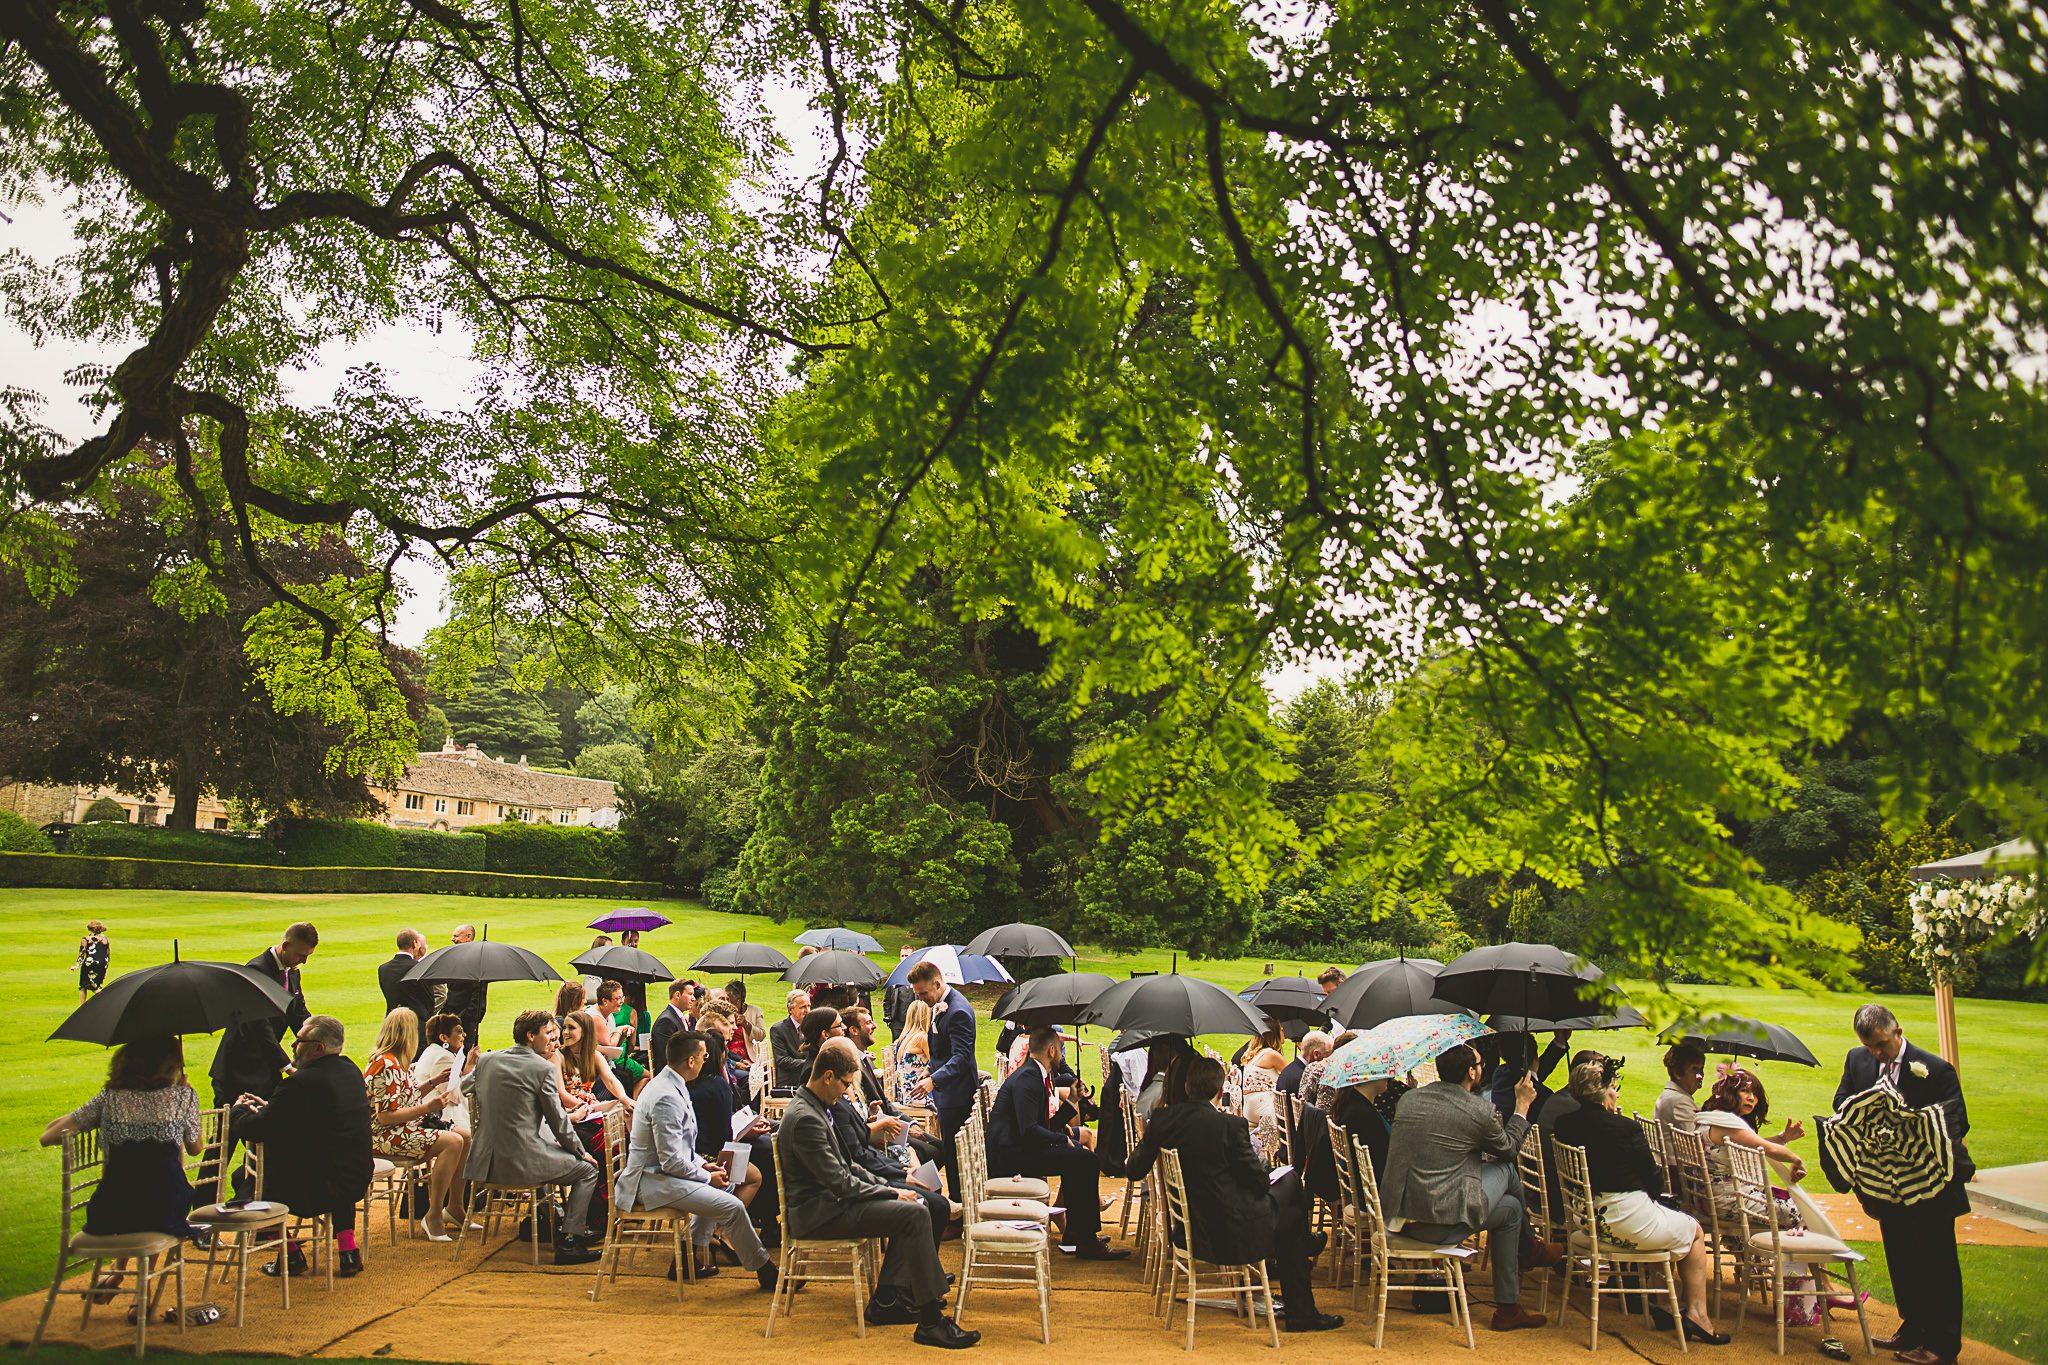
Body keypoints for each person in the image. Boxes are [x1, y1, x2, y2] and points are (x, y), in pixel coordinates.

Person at [778, 1038, 978, 1349]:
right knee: (913, 1211)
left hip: (833, 1203)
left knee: (916, 1206)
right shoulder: (806, 1118)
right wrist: (890, 1191)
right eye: (845, 1084)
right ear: (827, 1076)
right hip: (820, 1213)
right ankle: (928, 1322)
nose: (847, 1091)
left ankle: (893, 1299)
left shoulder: (816, 1107)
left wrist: (891, 1188)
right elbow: (841, 1182)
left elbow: (848, 1168)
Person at [1126, 1056, 1342, 1332]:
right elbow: (1258, 1182)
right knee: (1290, 1188)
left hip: (1187, 1226)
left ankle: (1302, 1253)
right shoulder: (1228, 1126)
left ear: (1188, 1086)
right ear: (1219, 1091)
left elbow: (1133, 1170)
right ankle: (1302, 1304)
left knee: (1290, 1208)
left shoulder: (1163, 1120)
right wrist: (1263, 1168)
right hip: (1229, 1231)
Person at [1381, 1042, 1556, 1331]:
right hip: (1436, 1222)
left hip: (1401, 1214)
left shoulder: (1410, 1099)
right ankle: (1529, 1248)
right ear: (1471, 1072)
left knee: (1511, 1209)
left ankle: (1508, 1308)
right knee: (1506, 1168)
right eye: (1479, 1063)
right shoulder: (1477, 1109)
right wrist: (1522, 1106)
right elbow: (1509, 1149)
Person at [1552, 1059, 1729, 1343]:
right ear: (1603, 1092)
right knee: (1694, 1231)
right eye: (1613, 1088)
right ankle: (1697, 1314)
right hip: (1627, 1222)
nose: (1617, 1093)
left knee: (1664, 1221)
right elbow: (1653, 1179)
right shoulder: (1625, 1127)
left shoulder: (1564, 1125)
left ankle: (1663, 1307)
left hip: (1588, 1221)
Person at [1833, 1004, 1971, 1365]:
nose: (1877, 1053)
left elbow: (1957, 1122)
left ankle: (1942, 1347)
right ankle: (1913, 1329)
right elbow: (1841, 1104)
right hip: (1885, 1184)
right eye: (1870, 1047)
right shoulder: (1856, 1060)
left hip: (1931, 1186)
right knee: (1903, 1258)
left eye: (1881, 1045)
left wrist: (1907, 1123)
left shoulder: (1936, 1070)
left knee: (1937, 1263)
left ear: (1898, 1032)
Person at [41, 1035, 204, 1300]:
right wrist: (185, 1100)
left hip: (111, 1211)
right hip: (163, 1211)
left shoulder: (110, 1098)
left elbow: (47, 1137)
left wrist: (80, 1116)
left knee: (139, 1185)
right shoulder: (183, 1097)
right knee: (162, 1187)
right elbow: (196, 1147)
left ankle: (120, 1274)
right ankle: (143, 1293)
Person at [616, 1031, 778, 1288]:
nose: (707, 1060)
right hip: (649, 1182)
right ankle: (763, 1268)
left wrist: (704, 1165)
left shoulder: (672, 1084)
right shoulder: (665, 1096)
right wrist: (705, 1176)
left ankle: (690, 1254)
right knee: (732, 1206)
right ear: (691, 1061)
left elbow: (683, 1149)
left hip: (663, 1174)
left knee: (723, 1186)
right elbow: (670, 1161)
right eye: (704, 1056)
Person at [231, 1014, 374, 1278]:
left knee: (246, 1178)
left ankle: (291, 1253)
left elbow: (258, 1128)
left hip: (315, 1187)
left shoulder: (299, 1083)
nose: (294, 1046)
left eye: (300, 1041)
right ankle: (347, 1251)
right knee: (334, 1159)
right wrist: (270, 1107)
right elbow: (317, 1116)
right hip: (356, 1177)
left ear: (318, 1048)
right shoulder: (350, 1070)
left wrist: (239, 1110)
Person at [462, 1009, 603, 1265]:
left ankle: (548, 1220)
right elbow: (558, 1122)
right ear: (530, 1036)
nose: (556, 1042)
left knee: (548, 1149)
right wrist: (581, 1153)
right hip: (522, 1163)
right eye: (549, 1035)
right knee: (587, 1171)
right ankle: (570, 1240)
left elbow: (463, 1088)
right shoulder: (542, 1069)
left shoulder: (488, 1061)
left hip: (485, 1162)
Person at [989, 1026, 1125, 1259]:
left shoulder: (1033, 1074)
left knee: (1080, 1155)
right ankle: (1086, 1240)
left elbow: (1043, 1125)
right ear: (1051, 1051)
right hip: (1010, 1156)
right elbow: (1029, 1131)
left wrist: (1072, 1100)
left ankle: (1076, 1232)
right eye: (1060, 1051)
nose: (1062, 1056)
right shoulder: (1029, 1078)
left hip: (1019, 1147)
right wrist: (1062, 1139)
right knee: (1086, 1160)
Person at [207, 921, 316, 1197]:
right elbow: (258, 1026)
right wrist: (287, 1065)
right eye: (302, 954)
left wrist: (317, 1040)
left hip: (264, 1071)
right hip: (237, 1070)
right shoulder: (256, 970)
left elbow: (297, 1012)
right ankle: (202, 1209)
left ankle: (245, 1192)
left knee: (267, 1138)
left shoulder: (293, 973)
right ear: (287, 945)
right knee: (223, 1141)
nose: (303, 961)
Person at [363, 1008, 472, 1240]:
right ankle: (433, 1215)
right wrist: (427, 1108)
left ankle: (455, 1207)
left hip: (401, 1128)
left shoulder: (396, 1061)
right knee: (453, 1142)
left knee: (465, 1136)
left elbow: (408, 1094)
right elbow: (386, 1117)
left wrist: (434, 1081)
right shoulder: (386, 1064)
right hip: (385, 1135)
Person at [1696, 1065, 1807, 1231]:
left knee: (1786, 1204)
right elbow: (1768, 1149)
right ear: (1730, 1093)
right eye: (1745, 1091)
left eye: (1755, 1094)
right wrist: (1796, 1159)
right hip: (1730, 1201)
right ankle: (1789, 1256)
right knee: (1800, 1213)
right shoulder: (1726, 1125)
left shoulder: (1709, 1117)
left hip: (1707, 1199)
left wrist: (1783, 1138)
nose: (1752, 1098)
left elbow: (1753, 1144)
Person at [907, 961, 976, 1197]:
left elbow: (961, 1058)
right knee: (948, 1149)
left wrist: (933, 1080)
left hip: (956, 1094)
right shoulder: (941, 1004)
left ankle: (956, 1204)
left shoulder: (957, 1011)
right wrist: (929, 1069)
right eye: (917, 994)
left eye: (923, 993)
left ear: (937, 983)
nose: (921, 999)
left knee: (954, 1155)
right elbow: (942, 1050)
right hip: (946, 1092)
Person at [847, 1005, 942, 1170]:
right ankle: (923, 1190)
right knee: (933, 1151)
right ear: (854, 1030)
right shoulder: (852, 1065)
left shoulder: (866, 1059)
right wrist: (902, 1129)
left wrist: (911, 1124)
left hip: (893, 1114)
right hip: (882, 1129)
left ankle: (926, 1188)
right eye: (868, 1023)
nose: (875, 1025)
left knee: (941, 1146)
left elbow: (885, 1102)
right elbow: (936, 1059)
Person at [1489, 1031, 1571, 1124]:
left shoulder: (1500, 1074)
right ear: (1536, 1057)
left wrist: (1559, 1042)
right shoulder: (1543, 1096)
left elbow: (1531, 1075)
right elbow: (1533, 1077)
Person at [412, 1012, 474, 1132]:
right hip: (441, 1118)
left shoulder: (432, 1051)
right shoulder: (443, 1058)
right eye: (459, 1031)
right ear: (444, 1037)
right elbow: (455, 1096)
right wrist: (470, 1066)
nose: (464, 1035)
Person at [377, 929, 435, 1039]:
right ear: (414, 943)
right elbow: (429, 1001)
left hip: (393, 1024)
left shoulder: (383, 968)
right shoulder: (419, 967)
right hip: (416, 1026)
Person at [438, 923, 487, 1042]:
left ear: (468, 937)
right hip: (450, 1017)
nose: (452, 939)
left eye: (456, 936)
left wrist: (467, 1019)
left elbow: (477, 997)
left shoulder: (478, 961)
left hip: (466, 1021)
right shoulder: (454, 958)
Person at [890, 997, 934, 1106]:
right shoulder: (922, 1038)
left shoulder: (904, 1038)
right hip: (918, 1096)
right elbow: (936, 1062)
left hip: (904, 1094)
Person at [1656, 1041, 1707, 1132]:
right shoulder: (1680, 1102)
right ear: (1677, 1073)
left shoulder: (1670, 1095)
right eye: (1694, 1069)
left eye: (1701, 1069)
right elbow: (1699, 1141)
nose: (1700, 1075)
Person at [768, 988, 809, 1093]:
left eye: (809, 1006)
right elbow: (782, 1060)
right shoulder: (778, 1029)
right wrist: (810, 1064)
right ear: (790, 1009)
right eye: (803, 1007)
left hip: (810, 1079)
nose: (807, 1010)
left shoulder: (812, 1027)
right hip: (790, 1081)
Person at [650, 978, 693, 1079]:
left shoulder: (678, 1017)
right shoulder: (666, 1021)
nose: (693, 998)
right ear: (677, 995)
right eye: (690, 994)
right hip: (672, 1078)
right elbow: (665, 1058)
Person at [76, 920, 111, 1003]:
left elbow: (81, 953)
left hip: (90, 964)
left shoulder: (86, 939)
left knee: (84, 985)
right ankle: (104, 1001)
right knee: (97, 985)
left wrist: (77, 965)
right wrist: (105, 969)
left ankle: (82, 1007)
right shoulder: (105, 938)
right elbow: (107, 955)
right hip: (102, 964)